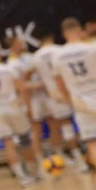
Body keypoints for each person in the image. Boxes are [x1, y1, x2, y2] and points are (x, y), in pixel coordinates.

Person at [0, 48, 39, 186]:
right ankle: (35, 173)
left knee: (8, 143)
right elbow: (22, 88)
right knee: (25, 140)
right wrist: (27, 108)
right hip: (14, 107)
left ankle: (22, 178)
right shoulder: (8, 69)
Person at [34, 32, 89, 171]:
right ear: (52, 38)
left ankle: (80, 161)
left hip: (54, 95)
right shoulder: (60, 50)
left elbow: (31, 76)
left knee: (66, 127)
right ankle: (87, 155)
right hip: (72, 91)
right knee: (85, 124)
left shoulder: (36, 57)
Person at [53, 17, 96, 170]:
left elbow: (60, 85)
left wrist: (70, 101)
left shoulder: (57, 56)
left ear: (64, 34)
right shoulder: (92, 48)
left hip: (80, 101)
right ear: (80, 30)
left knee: (92, 142)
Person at [8, 37, 48, 171]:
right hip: (27, 99)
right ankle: (38, 161)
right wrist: (34, 84)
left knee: (47, 125)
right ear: (12, 47)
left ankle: (51, 155)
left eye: (21, 42)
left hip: (41, 95)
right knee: (34, 131)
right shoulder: (11, 64)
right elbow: (20, 86)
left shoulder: (29, 57)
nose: (22, 44)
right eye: (18, 43)